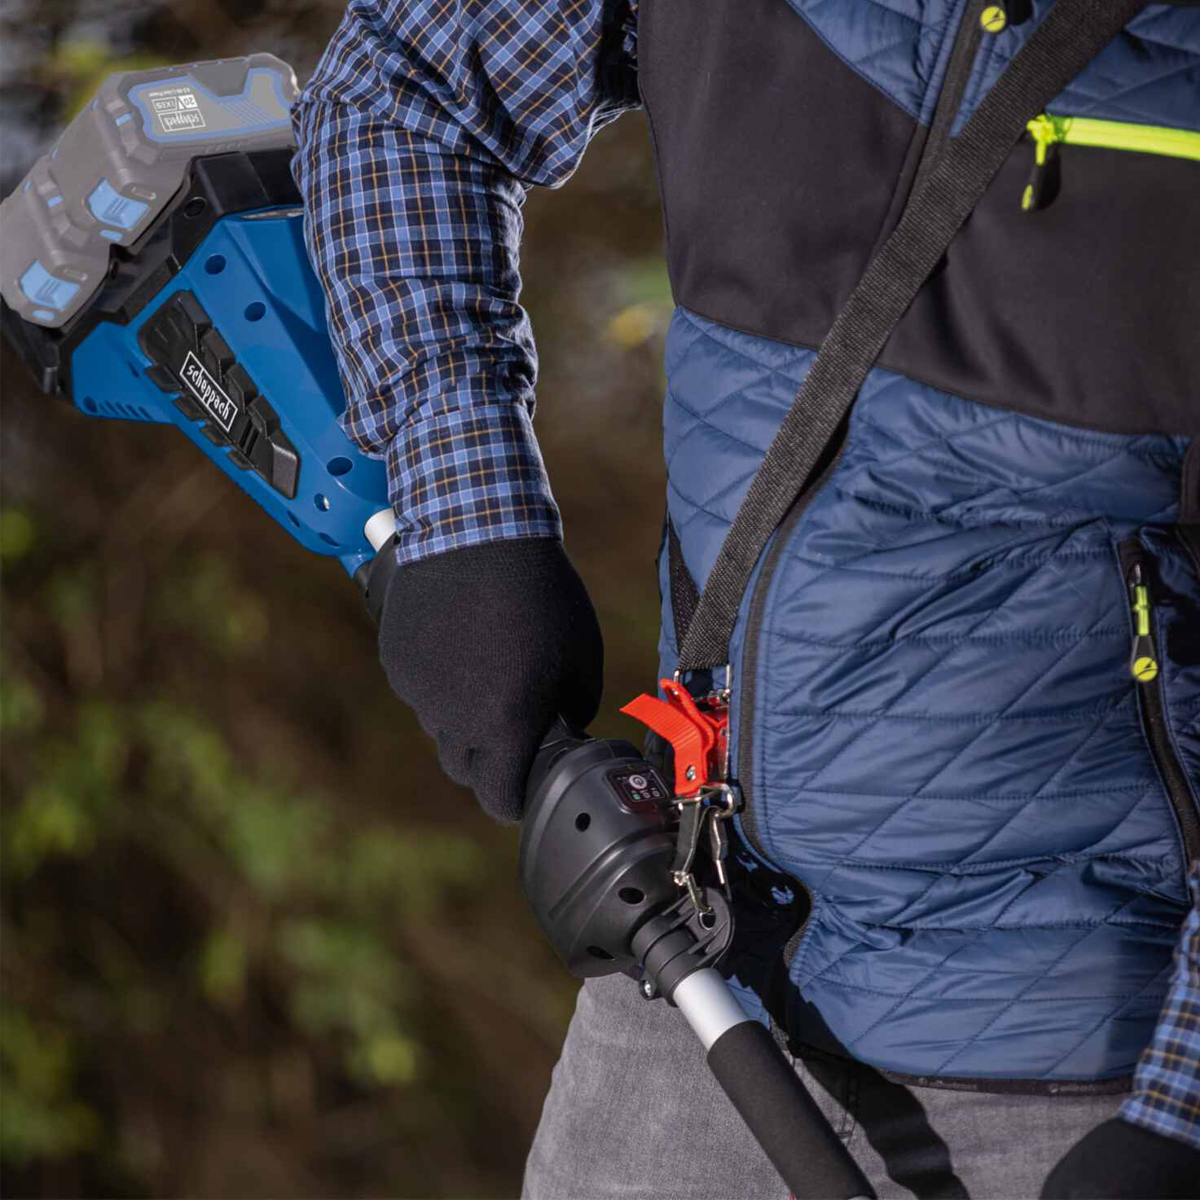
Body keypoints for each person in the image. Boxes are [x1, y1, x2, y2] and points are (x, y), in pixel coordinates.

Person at [291, 1, 1200, 1195]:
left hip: (1081, 1075)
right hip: (692, 982)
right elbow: (406, 83)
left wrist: (1179, 1110)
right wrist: (471, 519)